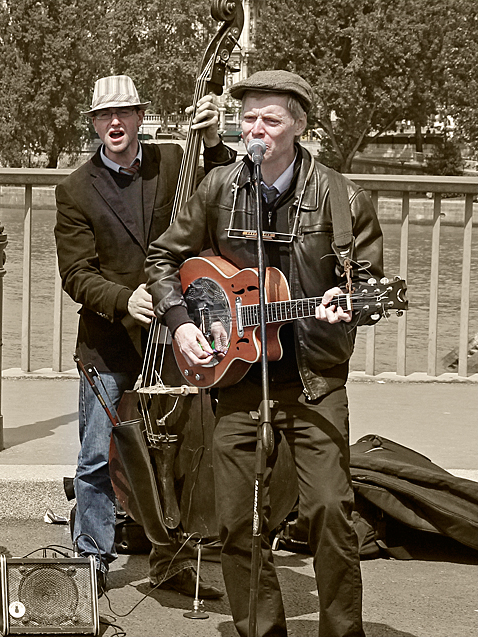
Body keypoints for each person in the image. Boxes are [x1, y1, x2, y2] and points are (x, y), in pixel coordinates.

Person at [146, 70, 383, 637]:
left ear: (299, 125)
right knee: (235, 522)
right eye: (248, 118)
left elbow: (372, 287)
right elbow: (162, 259)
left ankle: (342, 631)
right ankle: (261, 630)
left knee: (327, 510)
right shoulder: (219, 187)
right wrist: (180, 323)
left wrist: (349, 305)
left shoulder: (344, 197)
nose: (257, 129)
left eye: (271, 119)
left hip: (314, 378)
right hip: (236, 376)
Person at [54, 74, 235, 597]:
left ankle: (171, 560)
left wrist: (213, 143)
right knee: (96, 456)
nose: (115, 123)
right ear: (93, 123)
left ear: (140, 117)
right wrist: (122, 299)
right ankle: (92, 560)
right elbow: (76, 273)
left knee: (173, 454)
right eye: (104, 116)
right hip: (109, 342)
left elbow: (226, 193)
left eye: (125, 113)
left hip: (176, 334)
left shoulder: (176, 162)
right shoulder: (74, 190)